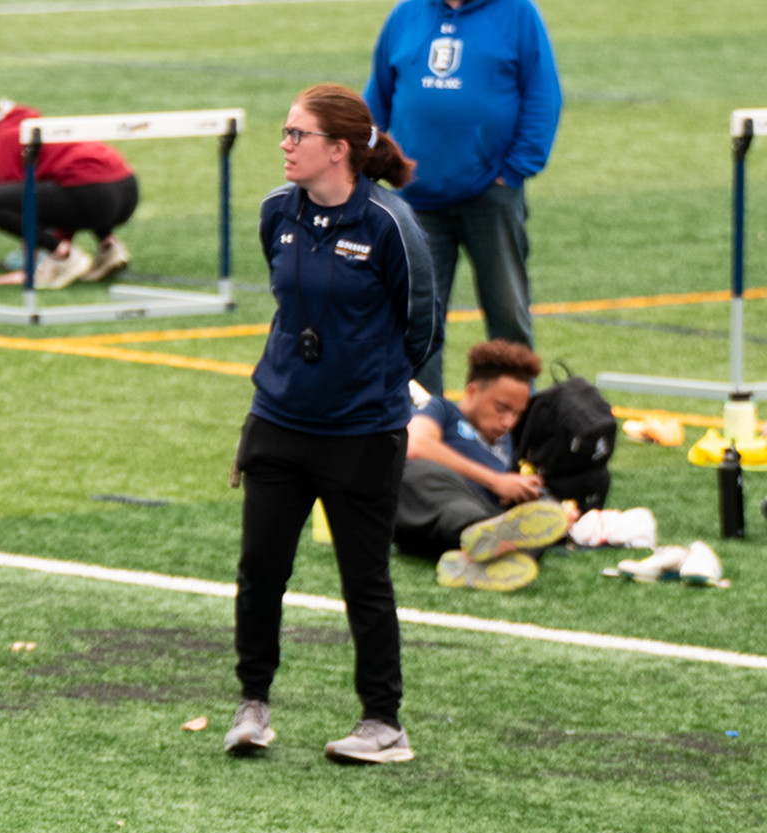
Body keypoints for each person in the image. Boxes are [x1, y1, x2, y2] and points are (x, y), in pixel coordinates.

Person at [225, 84, 441, 764]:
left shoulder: (389, 224)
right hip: (280, 421)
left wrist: (368, 383)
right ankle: (253, 705)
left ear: (338, 149)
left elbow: (422, 326)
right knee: (261, 568)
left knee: (364, 577)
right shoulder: (276, 213)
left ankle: (384, 723)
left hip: (362, 432)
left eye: (298, 135)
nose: (285, 146)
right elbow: (289, 307)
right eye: (285, 133)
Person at [365, 0, 562, 396]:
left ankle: (514, 428)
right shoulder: (407, 14)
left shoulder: (518, 13)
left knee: (507, 314)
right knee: (418, 318)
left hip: (491, 195)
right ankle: (423, 429)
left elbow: (543, 95)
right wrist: (370, 163)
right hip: (416, 202)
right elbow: (376, 99)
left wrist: (515, 170)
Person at [397, 340, 568, 591]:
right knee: (415, 473)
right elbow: (416, 444)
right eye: (501, 408)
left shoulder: (506, 443)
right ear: (473, 391)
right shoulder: (442, 409)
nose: (509, 421)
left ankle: (471, 561)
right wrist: (496, 481)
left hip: (457, 529)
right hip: (423, 511)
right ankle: (487, 540)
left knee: (539, 514)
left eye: (518, 414)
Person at [0, 99, 137, 288]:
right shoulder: (21, 123)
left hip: (94, 197)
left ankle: (63, 257)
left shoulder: (3, 140)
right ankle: (108, 246)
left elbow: (24, 206)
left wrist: (48, 252)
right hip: (127, 191)